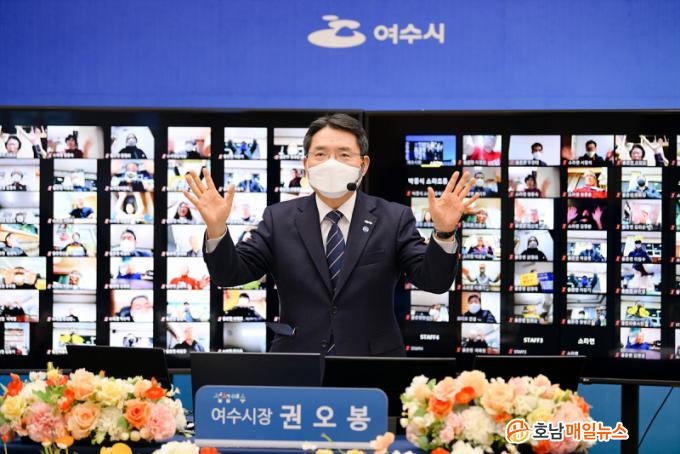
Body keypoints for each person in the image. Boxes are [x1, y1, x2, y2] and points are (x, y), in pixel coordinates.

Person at [185, 114, 477, 356]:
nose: (331, 163)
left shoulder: (393, 218)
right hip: (297, 362)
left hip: (374, 365)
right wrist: (217, 229)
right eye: (320, 154)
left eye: (344, 154)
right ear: (306, 164)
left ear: (363, 165)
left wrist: (444, 232)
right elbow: (230, 275)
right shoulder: (279, 218)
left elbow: (434, 281)